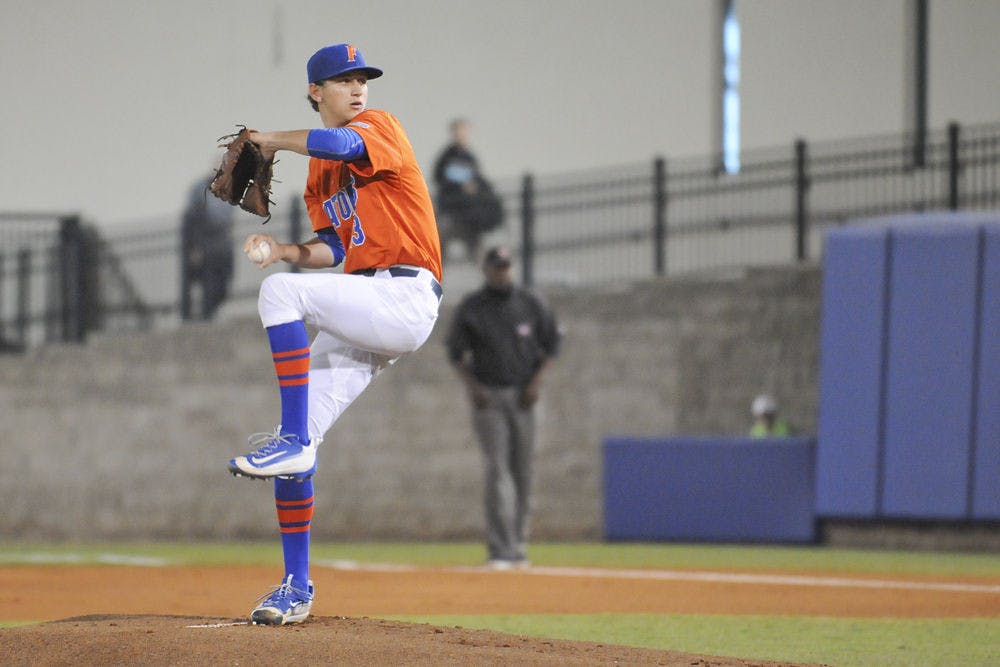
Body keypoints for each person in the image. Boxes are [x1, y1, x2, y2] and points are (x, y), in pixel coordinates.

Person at [225, 43, 443, 626]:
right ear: (314, 91)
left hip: (404, 294)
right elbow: (335, 249)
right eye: (342, 80)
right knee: (298, 441)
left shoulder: (379, 127)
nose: (357, 88)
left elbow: (342, 144)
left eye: (361, 79)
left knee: (280, 296)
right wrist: (282, 250)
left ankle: (292, 440)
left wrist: (270, 139)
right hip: (366, 304)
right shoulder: (319, 178)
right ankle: (296, 587)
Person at [445, 246, 561, 569]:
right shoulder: (473, 307)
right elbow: (456, 354)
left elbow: (552, 346)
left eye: (507, 266)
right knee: (497, 471)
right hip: (490, 398)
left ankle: (519, 545)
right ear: (487, 270)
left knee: (524, 470)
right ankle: (500, 549)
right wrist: (474, 388)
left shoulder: (531, 303)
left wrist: (537, 383)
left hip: (526, 397)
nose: (503, 272)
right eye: (497, 267)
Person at [432, 118, 504, 263]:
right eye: (458, 131)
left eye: (464, 131)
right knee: (438, 249)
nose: (461, 135)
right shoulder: (446, 156)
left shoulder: (470, 157)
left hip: (468, 217)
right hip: (450, 214)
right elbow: (439, 178)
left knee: (478, 253)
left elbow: (478, 180)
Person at [180, 172, 235, 320]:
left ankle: (208, 311)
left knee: (222, 283)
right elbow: (194, 227)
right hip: (206, 248)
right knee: (206, 283)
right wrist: (195, 249)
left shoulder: (227, 195)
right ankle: (203, 314)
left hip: (221, 246)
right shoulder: (199, 199)